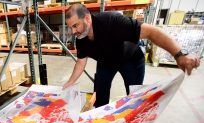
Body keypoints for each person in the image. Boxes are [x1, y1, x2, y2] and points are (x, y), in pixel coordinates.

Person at [62, 4, 201, 108]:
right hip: (106, 62)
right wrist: (70, 82)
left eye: (75, 26)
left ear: (87, 18)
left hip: (130, 58)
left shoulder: (111, 22)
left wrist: (179, 54)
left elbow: (152, 32)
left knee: (135, 96)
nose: (73, 31)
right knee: (101, 94)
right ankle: (100, 122)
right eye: (70, 27)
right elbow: (81, 62)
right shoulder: (81, 38)